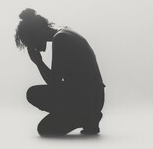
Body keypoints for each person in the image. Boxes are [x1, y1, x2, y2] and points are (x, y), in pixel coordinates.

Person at [14, 8, 105, 136]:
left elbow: (54, 84)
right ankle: (87, 117)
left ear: (35, 33)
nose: (32, 46)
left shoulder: (61, 39)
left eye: (30, 41)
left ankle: (87, 117)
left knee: (42, 122)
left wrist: (38, 62)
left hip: (87, 99)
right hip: (94, 97)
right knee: (42, 111)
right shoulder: (65, 32)